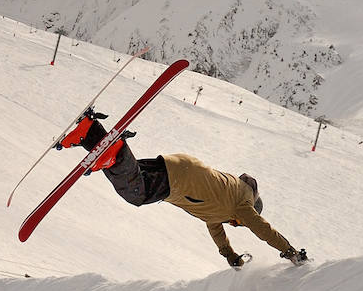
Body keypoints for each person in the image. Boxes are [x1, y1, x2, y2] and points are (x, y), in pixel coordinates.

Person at [60, 112, 306, 267]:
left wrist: (229, 254)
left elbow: (215, 228)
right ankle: (114, 147)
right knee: (136, 193)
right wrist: (289, 250)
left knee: (131, 175)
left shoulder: (225, 203)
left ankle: (89, 132)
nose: (234, 224)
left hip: (178, 167)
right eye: (238, 223)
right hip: (178, 180)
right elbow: (262, 228)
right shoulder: (242, 204)